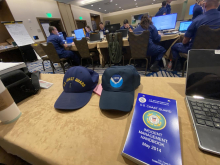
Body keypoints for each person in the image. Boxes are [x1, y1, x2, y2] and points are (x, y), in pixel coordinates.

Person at [171, 0, 220, 71]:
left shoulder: (197, 20)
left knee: (174, 46)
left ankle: (178, 68)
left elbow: (185, 41)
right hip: (216, 50)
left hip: (195, 51)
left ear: (205, 5)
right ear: (218, 5)